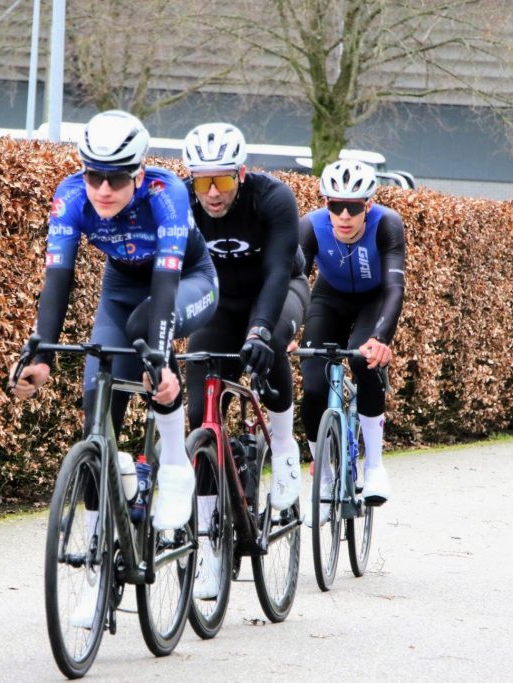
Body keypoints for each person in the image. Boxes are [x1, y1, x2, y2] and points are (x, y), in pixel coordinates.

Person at [9, 110, 219, 626]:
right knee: (96, 415)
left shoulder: (166, 193)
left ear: (139, 174)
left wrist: (161, 359)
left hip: (186, 281)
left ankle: (175, 466)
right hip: (121, 289)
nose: (103, 189)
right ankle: (98, 567)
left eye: (117, 179)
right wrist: (41, 355)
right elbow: (57, 279)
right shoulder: (71, 197)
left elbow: (166, 286)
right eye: (94, 175)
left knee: (149, 343)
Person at [181, 122, 310, 599]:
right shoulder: (181, 202)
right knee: (200, 409)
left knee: (269, 343)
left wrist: (258, 331)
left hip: (277, 291)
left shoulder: (273, 198)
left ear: (240, 173)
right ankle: (208, 546)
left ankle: (284, 449)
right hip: (218, 303)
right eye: (202, 181)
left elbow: (277, 272)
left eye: (222, 180)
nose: (212, 193)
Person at [298, 159, 405, 526]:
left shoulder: (387, 224)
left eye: (353, 207)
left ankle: (374, 466)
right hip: (328, 299)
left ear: (368, 206)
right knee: (313, 386)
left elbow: (395, 287)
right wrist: (282, 331)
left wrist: (380, 338)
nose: (344, 216)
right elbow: (295, 283)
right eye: (335, 206)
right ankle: (325, 481)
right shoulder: (310, 227)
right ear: (325, 203)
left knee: (363, 360)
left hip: (373, 300)